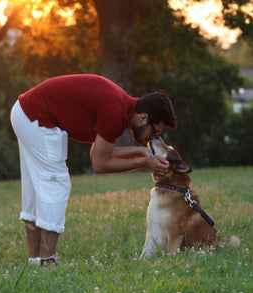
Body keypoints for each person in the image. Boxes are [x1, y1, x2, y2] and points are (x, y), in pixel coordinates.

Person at [10, 74, 177, 265]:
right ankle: (47, 260)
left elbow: (96, 154)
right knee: (56, 184)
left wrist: (139, 152)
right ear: (143, 118)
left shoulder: (120, 106)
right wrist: (143, 163)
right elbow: (99, 164)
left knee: (36, 188)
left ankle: (36, 259)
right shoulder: (115, 111)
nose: (151, 138)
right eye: (154, 131)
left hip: (25, 112)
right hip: (36, 117)